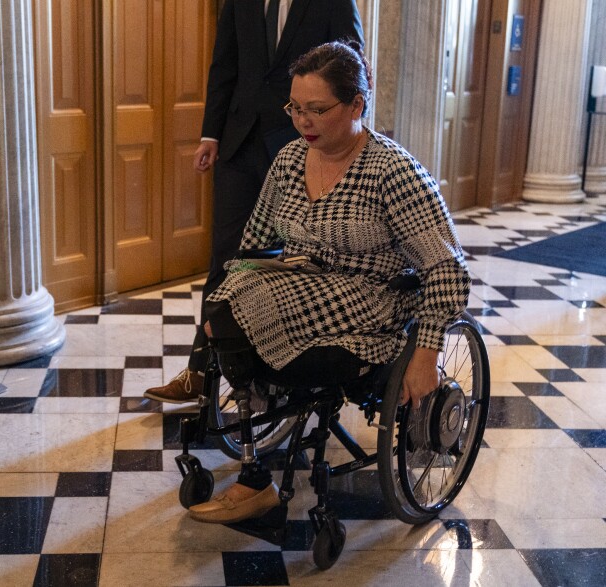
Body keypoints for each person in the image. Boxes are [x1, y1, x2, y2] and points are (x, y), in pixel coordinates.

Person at [185, 41, 471, 524]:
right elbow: (254, 241)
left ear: (358, 104)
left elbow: (446, 270)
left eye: (317, 109)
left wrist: (426, 354)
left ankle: (258, 468)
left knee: (245, 319)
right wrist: (241, 283)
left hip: (374, 299)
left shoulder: (393, 172)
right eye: (295, 108)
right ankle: (256, 463)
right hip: (305, 281)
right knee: (225, 304)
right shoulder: (291, 159)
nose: (303, 121)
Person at [144, 0, 364, 404]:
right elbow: (224, 66)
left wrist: (346, 147)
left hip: (303, 146)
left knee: (295, 260)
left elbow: (353, 68)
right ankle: (200, 373)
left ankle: (279, 371)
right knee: (226, 259)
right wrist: (210, 133)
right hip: (240, 144)